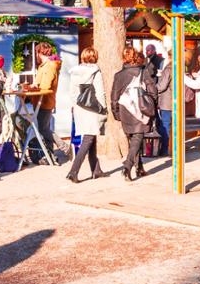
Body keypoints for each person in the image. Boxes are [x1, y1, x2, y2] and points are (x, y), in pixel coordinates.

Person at [111, 48, 158, 182]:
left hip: (124, 108)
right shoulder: (144, 72)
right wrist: (152, 106)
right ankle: (127, 166)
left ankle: (139, 168)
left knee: (133, 139)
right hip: (140, 108)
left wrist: (116, 113)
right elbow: (153, 91)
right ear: (137, 57)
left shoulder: (118, 75)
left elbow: (114, 96)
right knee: (137, 138)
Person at [66, 47, 107, 183]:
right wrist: (103, 108)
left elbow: (72, 92)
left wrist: (75, 106)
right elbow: (100, 91)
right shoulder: (96, 71)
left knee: (91, 137)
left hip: (80, 108)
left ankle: (96, 170)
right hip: (93, 108)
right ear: (95, 57)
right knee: (88, 139)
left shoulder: (75, 71)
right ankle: (73, 171)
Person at [32, 43, 61, 153]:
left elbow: (46, 85)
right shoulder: (43, 65)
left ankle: (65, 147)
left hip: (45, 101)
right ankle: (50, 154)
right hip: (40, 101)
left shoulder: (50, 65)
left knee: (43, 129)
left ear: (39, 52)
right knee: (45, 128)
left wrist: (35, 87)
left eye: (36, 52)